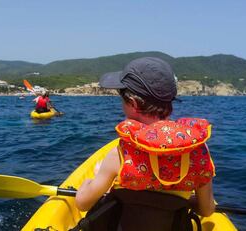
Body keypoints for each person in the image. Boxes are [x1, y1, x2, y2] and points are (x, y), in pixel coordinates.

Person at [75, 57, 216, 230]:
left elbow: (82, 204)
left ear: (133, 104)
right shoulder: (198, 152)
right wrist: (184, 199)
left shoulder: (120, 154)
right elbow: (207, 209)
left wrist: (88, 183)